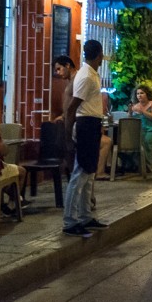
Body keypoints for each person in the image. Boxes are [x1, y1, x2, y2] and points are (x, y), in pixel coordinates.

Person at [62, 40, 109, 238]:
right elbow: (73, 107)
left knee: (89, 172)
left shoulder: (90, 73)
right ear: (99, 55)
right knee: (80, 172)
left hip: (92, 124)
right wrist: (67, 135)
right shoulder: (86, 76)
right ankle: (70, 220)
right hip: (85, 124)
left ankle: (85, 216)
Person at [53, 55, 112, 180]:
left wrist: (68, 123)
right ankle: (86, 193)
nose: (57, 73)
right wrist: (64, 116)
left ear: (68, 65)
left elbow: (75, 106)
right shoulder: (75, 79)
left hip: (80, 124)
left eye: (59, 69)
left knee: (81, 166)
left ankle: (92, 180)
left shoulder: (80, 79)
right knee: (79, 166)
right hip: (74, 123)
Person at [129, 85, 152, 172]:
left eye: (142, 93)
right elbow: (130, 119)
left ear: (147, 94)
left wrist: (143, 112)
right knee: (128, 141)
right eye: (137, 93)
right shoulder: (135, 106)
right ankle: (133, 165)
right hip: (140, 130)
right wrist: (130, 112)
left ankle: (146, 166)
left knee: (146, 141)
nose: (139, 95)